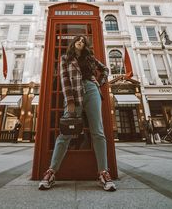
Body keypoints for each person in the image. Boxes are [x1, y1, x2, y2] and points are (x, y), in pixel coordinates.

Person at [39, 35, 116, 192]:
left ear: (85, 44)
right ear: (74, 43)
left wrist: (99, 82)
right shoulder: (65, 58)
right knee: (65, 134)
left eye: (83, 41)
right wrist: (70, 101)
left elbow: (105, 69)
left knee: (98, 133)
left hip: (92, 91)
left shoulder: (90, 58)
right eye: (78, 40)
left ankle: (103, 172)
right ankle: (51, 172)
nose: (80, 42)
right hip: (74, 95)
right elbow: (64, 80)